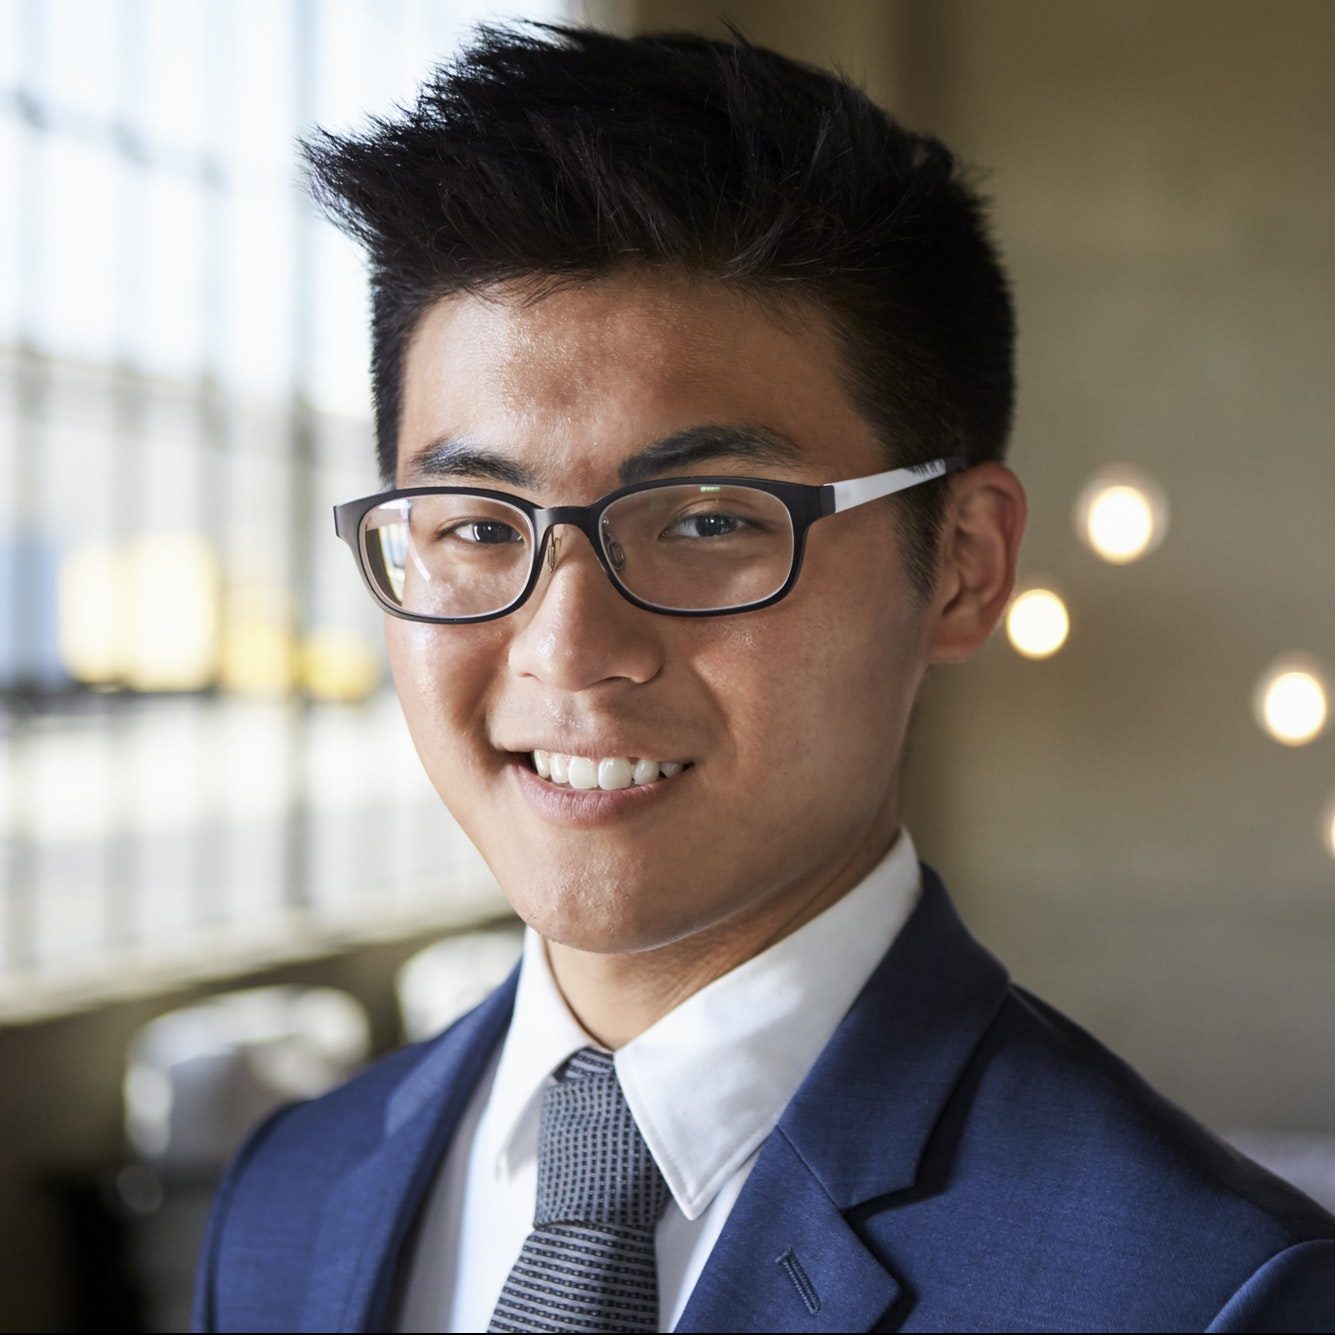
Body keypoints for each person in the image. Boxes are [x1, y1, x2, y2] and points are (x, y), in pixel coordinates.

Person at [192, 23, 1335, 1333]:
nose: (568, 647)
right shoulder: (292, 1195)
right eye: (478, 527)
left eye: (708, 520)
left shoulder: (1206, 1295)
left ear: (964, 564)